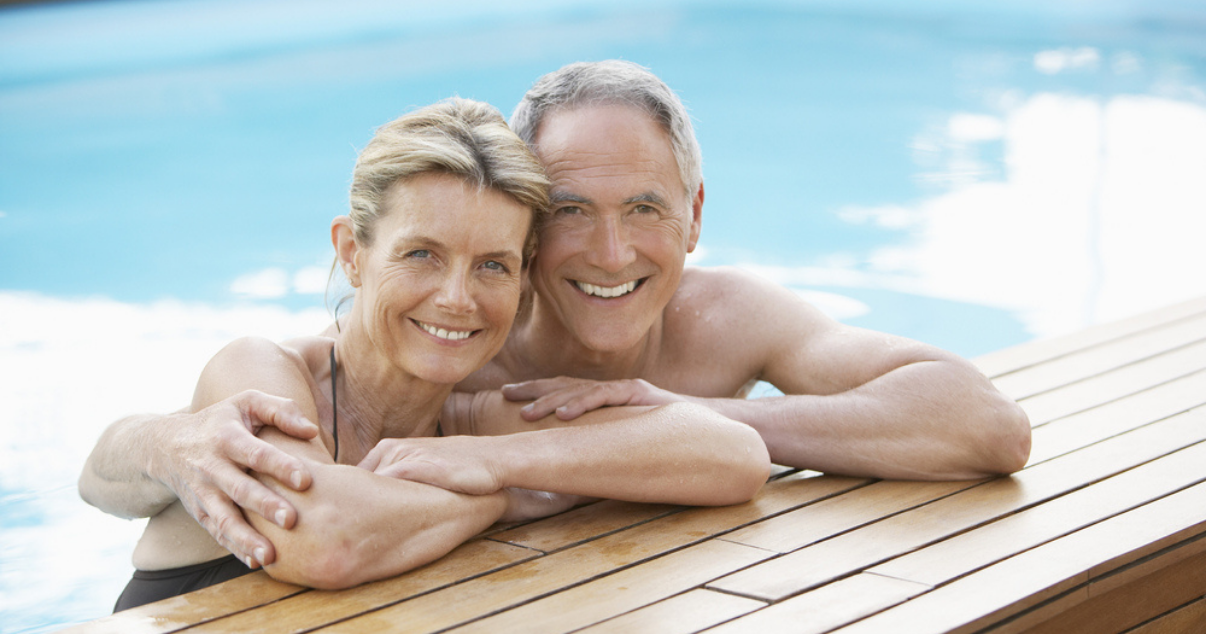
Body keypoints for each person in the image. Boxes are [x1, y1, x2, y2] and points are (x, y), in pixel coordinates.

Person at [81, 60, 1031, 576]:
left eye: (646, 210)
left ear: (694, 215)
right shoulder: (435, 376)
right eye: (573, 210)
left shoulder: (491, 409)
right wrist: (150, 441)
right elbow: (320, 522)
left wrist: (568, 440)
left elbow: (981, 425)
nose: (610, 254)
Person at [89, 98, 771, 611]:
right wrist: (502, 498)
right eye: (422, 255)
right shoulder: (264, 373)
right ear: (352, 253)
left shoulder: (469, 423)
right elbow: (325, 537)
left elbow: (733, 456)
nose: (458, 298)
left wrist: (494, 463)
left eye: (493, 266)